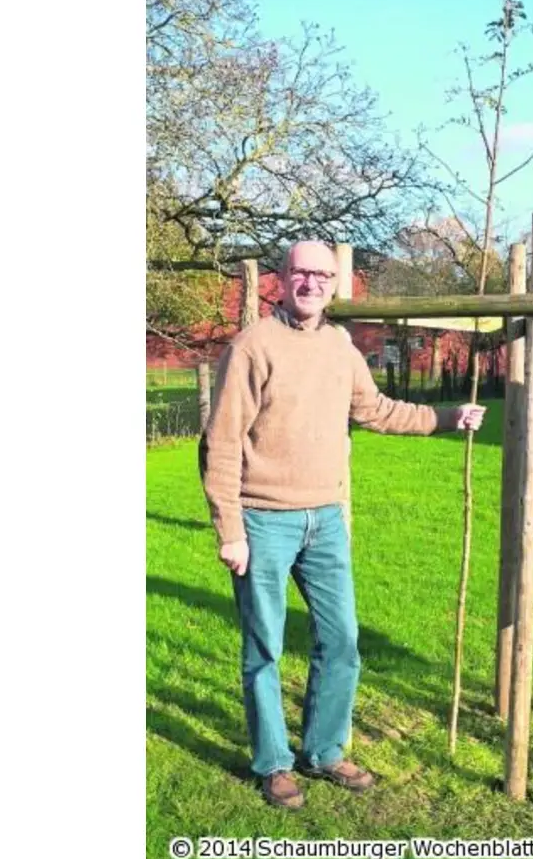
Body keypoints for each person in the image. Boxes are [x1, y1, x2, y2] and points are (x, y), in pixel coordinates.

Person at [200, 240, 487, 810]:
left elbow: (375, 409)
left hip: (325, 519)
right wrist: (230, 529)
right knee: (265, 647)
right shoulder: (252, 346)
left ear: (334, 285)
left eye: (322, 276)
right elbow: (221, 442)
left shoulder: (339, 347)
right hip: (263, 519)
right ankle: (273, 764)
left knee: (341, 641)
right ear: (282, 278)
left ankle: (324, 751)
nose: (311, 284)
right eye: (301, 273)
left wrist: (447, 417)